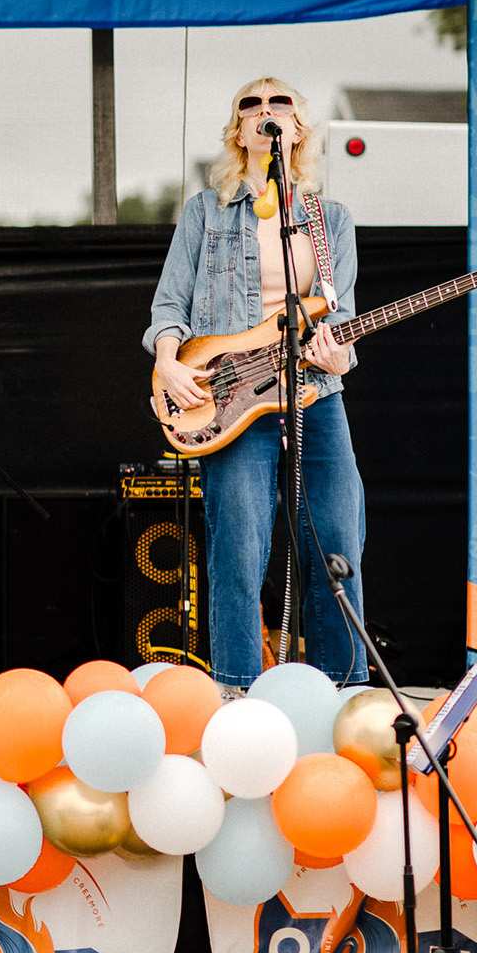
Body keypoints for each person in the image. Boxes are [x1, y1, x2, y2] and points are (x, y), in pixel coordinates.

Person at [144, 76, 367, 693]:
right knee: (239, 543)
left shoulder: (329, 219)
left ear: (299, 128)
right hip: (231, 396)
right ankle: (237, 688)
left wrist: (339, 356)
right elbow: (170, 306)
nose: (265, 111)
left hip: (314, 393)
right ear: (238, 130)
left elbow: (340, 315)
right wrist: (168, 360)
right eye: (251, 103)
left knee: (338, 535)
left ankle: (341, 690)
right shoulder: (205, 212)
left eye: (280, 103)